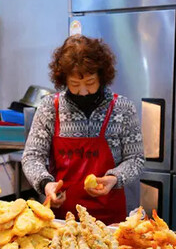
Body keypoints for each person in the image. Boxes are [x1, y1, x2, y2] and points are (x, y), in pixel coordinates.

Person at [22, 35, 144, 225]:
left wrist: (114, 178)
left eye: (90, 83)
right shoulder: (49, 108)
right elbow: (32, 157)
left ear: (102, 77)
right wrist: (46, 184)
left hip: (109, 221)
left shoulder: (123, 108)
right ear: (64, 80)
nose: (84, 91)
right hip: (62, 219)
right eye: (75, 85)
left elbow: (135, 159)